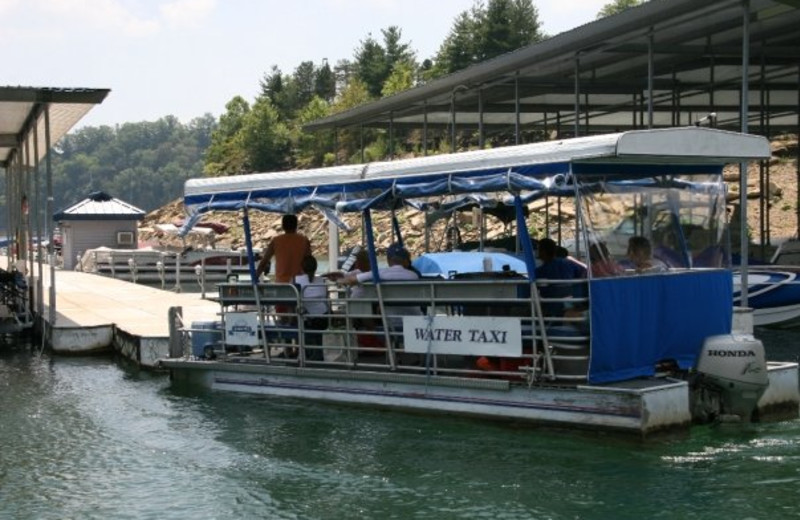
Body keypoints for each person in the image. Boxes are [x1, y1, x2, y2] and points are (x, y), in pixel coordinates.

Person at [534, 237, 587, 315]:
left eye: (538, 249)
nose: (536, 252)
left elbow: (541, 290)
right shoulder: (568, 263)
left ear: (543, 252)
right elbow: (584, 272)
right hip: (574, 301)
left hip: (553, 305)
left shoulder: (541, 271)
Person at [256, 214, 311, 283]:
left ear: (283, 226)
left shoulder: (276, 241)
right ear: (296, 225)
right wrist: (310, 279)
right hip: (300, 283)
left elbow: (264, 262)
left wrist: (255, 277)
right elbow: (310, 264)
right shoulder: (304, 241)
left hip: (281, 284)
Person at [294, 255, 328, 361]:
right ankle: (319, 352)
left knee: (296, 317)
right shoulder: (321, 281)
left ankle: (303, 352)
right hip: (323, 317)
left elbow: (293, 300)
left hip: (306, 318)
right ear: (316, 267)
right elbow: (326, 298)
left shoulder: (296, 280)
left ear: (302, 267)